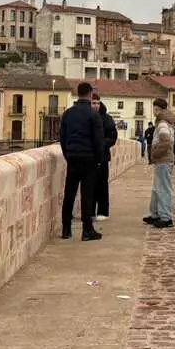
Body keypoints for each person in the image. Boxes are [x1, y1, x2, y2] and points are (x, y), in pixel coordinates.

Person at [59, 82, 104, 241]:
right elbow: (99, 141)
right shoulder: (94, 115)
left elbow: (62, 139)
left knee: (69, 193)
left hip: (72, 158)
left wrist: (68, 155)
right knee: (87, 194)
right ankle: (87, 230)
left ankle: (66, 229)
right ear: (90, 94)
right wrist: (99, 160)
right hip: (89, 159)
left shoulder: (68, 114)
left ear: (78, 94)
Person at [143, 98, 175, 228]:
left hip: (163, 160)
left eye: (155, 109)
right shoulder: (165, 122)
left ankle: (166, 218)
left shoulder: (162, 123)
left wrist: (155, 153)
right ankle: (155, 214)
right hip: (163, 160)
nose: (154, 111)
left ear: (158, 109)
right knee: (157, 188)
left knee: (163, 188)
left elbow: (166, 141)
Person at [91, 93, 118, 221]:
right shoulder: (87, 117)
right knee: (89, 185)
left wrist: (101, 144)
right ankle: (89, 211)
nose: (95, 105)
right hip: (89, 157)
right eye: (93, 103)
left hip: (102, 156)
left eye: (97, 103)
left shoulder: (107, 119)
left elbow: (112, 138)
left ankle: (102, 212)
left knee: (102, 184)